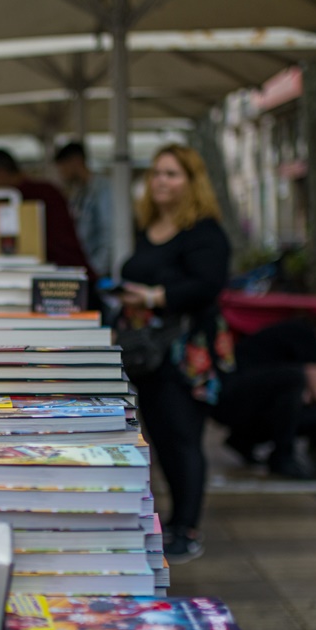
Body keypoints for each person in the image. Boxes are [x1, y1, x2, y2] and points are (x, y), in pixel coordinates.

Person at [118, 145, 232, 564]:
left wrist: (154, 295)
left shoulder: (204, 231)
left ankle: (188, 527)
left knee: (184, 437)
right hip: (147, 353)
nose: (161, 181)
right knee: (162, 437)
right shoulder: (148, 227)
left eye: (172, 173)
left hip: (187, 353)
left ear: (192, 182)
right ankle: (175, 521)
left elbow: (208, 285)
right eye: (157, 173)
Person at [212, 315, 316, 477]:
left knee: (313, 416)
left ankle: (243, 439)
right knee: (295, 378)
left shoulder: (288, 339)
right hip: (229, 397)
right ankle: (282, 457)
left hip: (240, 401)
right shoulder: (306, 334)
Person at [0, 149, 96, 276]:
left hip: (62, 275)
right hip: (70, 271)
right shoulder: (47, 190)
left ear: (0, 173)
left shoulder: (29, 198)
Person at [54, 141, 113, 277]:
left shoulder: (102, 189)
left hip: (98, 272)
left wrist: (96, 272)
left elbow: (108, 233)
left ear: (75, 162)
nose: (61, 173)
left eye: (62, 167)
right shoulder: (80, 192)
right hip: (85, 269)